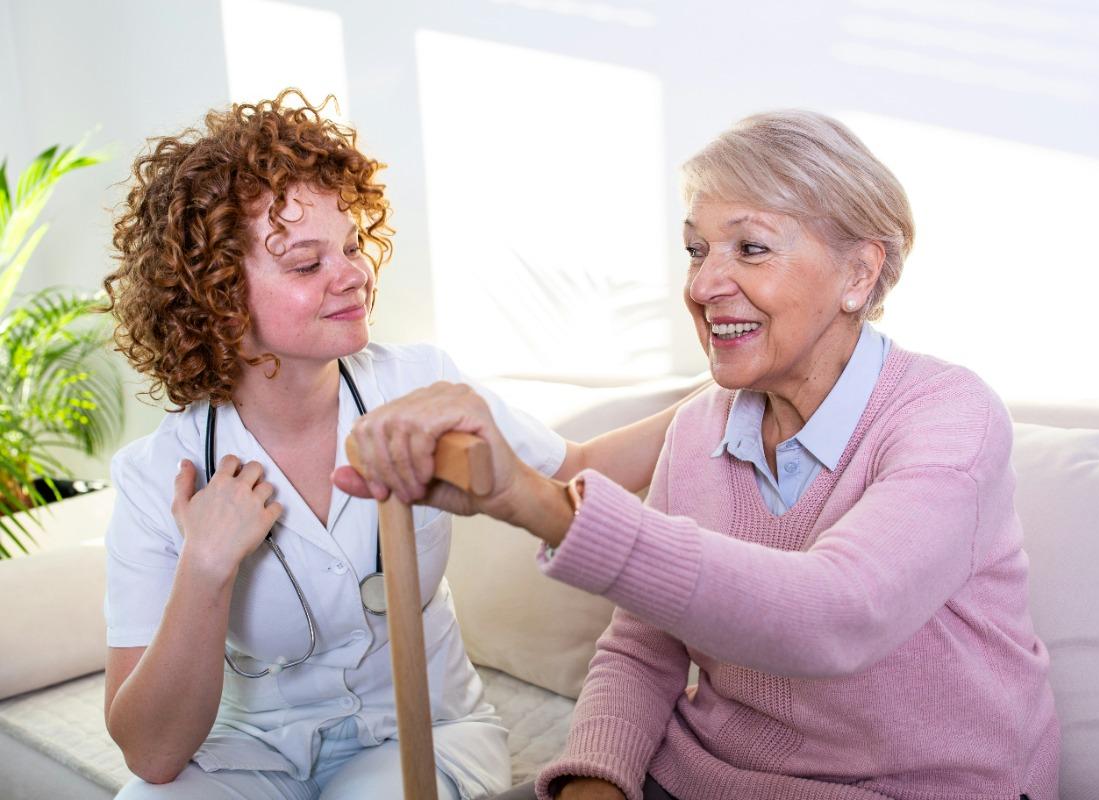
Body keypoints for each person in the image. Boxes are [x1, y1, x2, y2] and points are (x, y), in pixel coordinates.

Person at [338, 110, 1060, 800]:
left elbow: (835, 617)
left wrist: (533, 502)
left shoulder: (949, 417)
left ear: (858, 275)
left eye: (749, 248)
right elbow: (643, 647)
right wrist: (596, 780)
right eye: (696, 249)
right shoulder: (699, 428)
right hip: (707, 775)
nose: (703, 285)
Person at [100, 91, 686, 800]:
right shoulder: (157, 474)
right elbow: (152, 755)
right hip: (248, 755)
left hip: (424, 731)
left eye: (350, 247)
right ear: (218, 296)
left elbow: (584, 470)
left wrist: (728, 390)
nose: (352, 274)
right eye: (306, 264)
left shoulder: (421, 386)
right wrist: (205, 568)